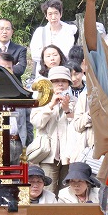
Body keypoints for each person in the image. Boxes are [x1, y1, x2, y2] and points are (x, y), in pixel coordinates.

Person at [29, 65, 74, 194]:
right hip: (48, 155)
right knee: (48, 191)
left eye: (64, 81)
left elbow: (78, 127)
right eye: (55, 81)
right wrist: (51, 106)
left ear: (68, 83)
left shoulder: (75, 101)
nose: (60, 84)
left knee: (67, 192)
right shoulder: (42, 102)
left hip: (69, 156)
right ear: (50, 83)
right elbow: (37, 123)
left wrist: (67, 110)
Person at [29, 0, 77, 77]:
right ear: (46, 16)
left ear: (60, 14)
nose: (53, 17)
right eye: (50, 14)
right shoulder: (40, 32)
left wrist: (48, 55)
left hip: (63, 72)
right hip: (43, 73)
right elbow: (34, 54)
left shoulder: (69, 31)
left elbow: (67, 53)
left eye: (56, 13)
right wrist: (52, 57)